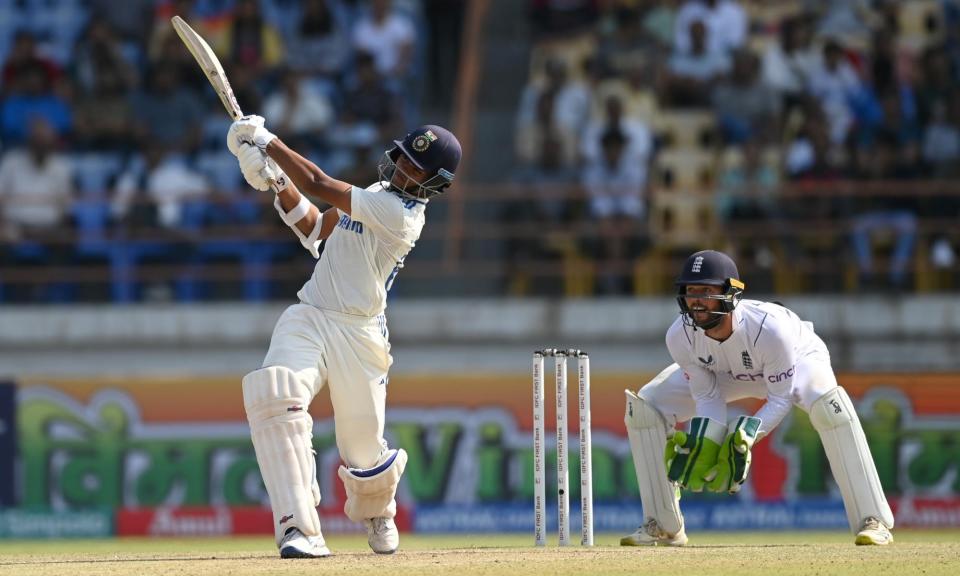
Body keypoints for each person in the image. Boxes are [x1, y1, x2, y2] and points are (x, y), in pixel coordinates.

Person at [225, 114, 461, 558]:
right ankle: (299, 529)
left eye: (418, 170)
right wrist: (276, 181)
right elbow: (314, 227)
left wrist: (267, 141)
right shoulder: (376, 194)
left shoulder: (403, 216)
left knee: (363, 453)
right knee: (275, 391)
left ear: (436, 184)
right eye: (405, 160)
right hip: (312, 314)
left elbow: (317, 181)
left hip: (361, 333)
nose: (406, 171)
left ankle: (378, 511)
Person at [621, 250, 894, 547]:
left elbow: (780, 398)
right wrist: (711, 440)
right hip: (725, 373)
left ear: (730, 293)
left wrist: (745, 437)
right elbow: (707, 394)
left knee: (830, 408)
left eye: (706, 291)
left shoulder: (771, 330)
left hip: (798, 362)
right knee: (645, 407)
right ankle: (663, 524)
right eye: (690, 291)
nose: (696, 300)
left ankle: (874, 520)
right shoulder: (679, 336)